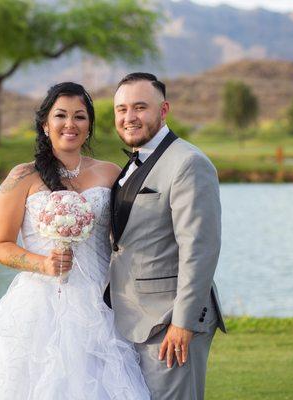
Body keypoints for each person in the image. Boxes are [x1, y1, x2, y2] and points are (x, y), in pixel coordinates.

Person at [0, 82, 150, 399]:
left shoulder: (112, 173)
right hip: (39, 303)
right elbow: (0, 246)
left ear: (89, 126)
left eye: (80, 117)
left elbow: (128, 236)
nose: (70, 124)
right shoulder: (22, 177)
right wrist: (42, 264)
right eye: (61, 116)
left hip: (101, 301)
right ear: (45, 125)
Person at [106, 72, 227, 400]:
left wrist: (183, 323)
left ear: (163, 110)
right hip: (135, 316)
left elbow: (200, 249)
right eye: (121, 109)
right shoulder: (138, 160)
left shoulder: (188, 163)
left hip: (170, 322)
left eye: (140, 107)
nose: (129, 117)